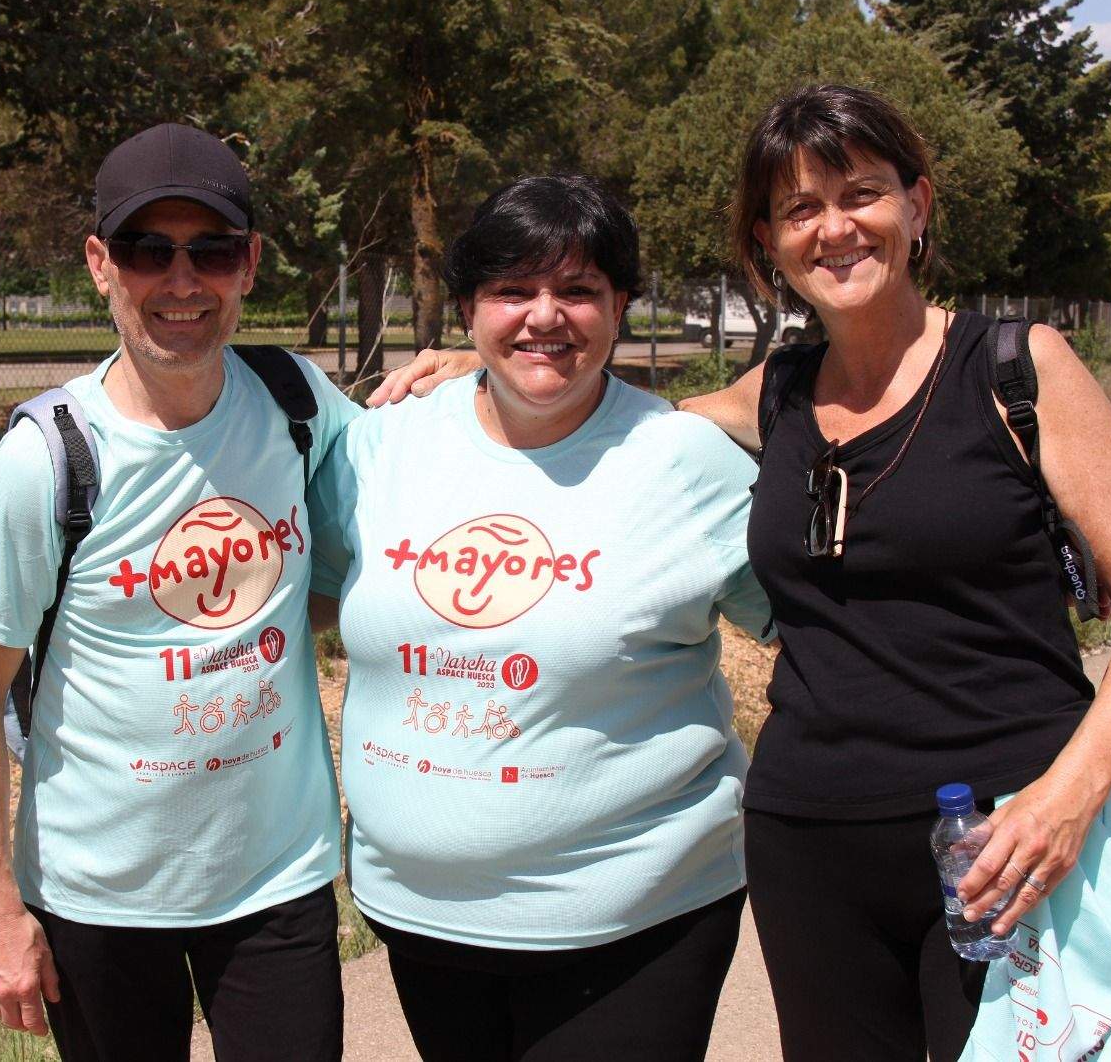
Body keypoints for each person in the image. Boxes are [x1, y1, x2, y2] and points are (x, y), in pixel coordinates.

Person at [378, 86, 1111, 1061]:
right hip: (811, 847)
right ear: (768, 242)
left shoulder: (1017, 369)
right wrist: (476, 370)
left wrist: (1070, 798)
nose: (834, 228)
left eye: (861, 194)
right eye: (800, 208)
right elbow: (619, 412)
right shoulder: (774, 394)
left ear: (917, 205)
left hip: (1006, 833)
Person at [308, 173, 773, 1061]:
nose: (544, 316)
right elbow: (309, 601)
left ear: (621, 305)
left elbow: (820, 640)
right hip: (419, 915)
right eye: (512, 290)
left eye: (578, 290)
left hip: (637, 920)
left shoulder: (684, 462)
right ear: (468, 309)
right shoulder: (380, 445)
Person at [0, 123, 359, 1061]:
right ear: (100, 264)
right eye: (146, 250)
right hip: (99, 896)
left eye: (212, 250)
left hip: (276, 879)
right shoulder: (46, 462)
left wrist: (471, 373)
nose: (182, 281)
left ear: (249, 264)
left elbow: (410, 492)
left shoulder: (296, 401)